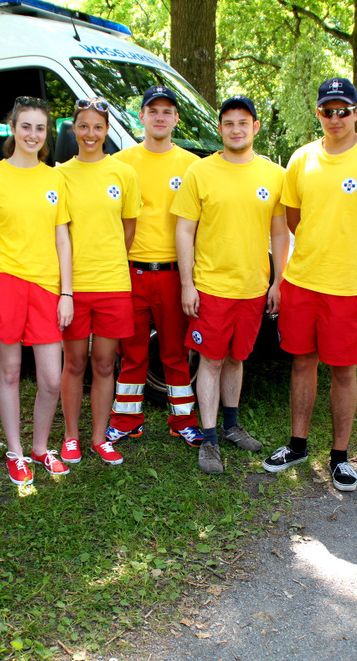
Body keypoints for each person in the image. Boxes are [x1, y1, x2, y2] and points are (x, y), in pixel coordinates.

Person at [261, 77, 357, 493]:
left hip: (348, 287)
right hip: (302, 281)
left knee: (343, 370)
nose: (335, 118)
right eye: (327, 111)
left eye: (343, 110)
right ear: (318, 113)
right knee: (302, 363)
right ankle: (297, 445)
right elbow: (294, 219)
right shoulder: (301, 158)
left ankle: (339, 457)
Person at [173, 95, 290, 474]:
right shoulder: (200, 171)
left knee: (238, 358)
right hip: (211, 288)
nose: (236, 130)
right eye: (228, 123)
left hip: (253, 288)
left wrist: (278, 281)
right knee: (210, 360)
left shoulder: (274, 174)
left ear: (255, 127)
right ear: (220, 128)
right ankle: (208, 440)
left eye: (243, 123)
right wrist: (187, 283)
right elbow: (184, 230)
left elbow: (279, 232)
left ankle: (231, 425)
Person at [0, 96, 73, 486]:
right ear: (13, 128)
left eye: (40, 128)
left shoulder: (55, 178)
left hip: (47, 287)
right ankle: (16, 451)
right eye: (26, 126)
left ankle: (40, 447)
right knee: (10, 371)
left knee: (51, 379)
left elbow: (62, 239)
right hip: (4, 282)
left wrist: (67, 293)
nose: (33, 134)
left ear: (47, 133)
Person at [107, 86, 204, 449]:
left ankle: (184, 421)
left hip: (174, 272)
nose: (160, 117)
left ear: (176, 118)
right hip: (130, 271)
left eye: (167, 111)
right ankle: (126, 421)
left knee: (175, 353)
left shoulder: (192, 165)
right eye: (153, 111)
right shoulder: (121, 163)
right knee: (131, 352)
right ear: (142, 117)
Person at [57, 98, 141, 466]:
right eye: (83, 126)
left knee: (105, 364)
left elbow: (128, 229)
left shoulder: (123, 173)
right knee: (74, 363)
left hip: (113, 285)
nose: (90, 133)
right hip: (73, 286)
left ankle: (98, 438)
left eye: (97, 127)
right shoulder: (59, 174)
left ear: (106, 130)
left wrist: (108, 260)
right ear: (74, 129)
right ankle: (71, 437)